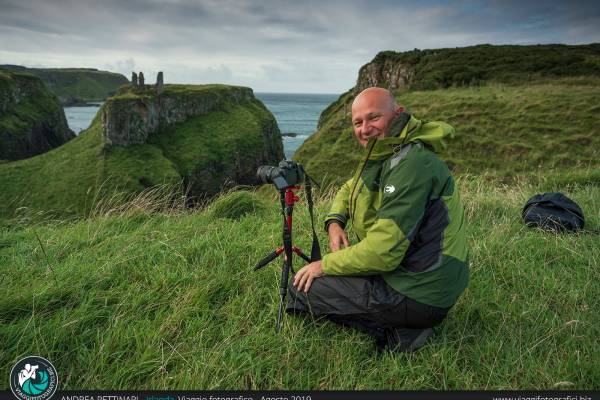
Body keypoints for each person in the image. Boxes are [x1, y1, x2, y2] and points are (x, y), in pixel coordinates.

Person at [286, 87, 469, 352]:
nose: (365, 128)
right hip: (421, 276)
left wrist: (325, 264)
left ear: (398, 114)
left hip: (418, 291)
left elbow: (383, 254)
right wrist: (335, 222)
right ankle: (408, 319)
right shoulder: (389, 152)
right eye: (358, 122)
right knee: (321, 279)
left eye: (374, 118)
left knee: (301, 289)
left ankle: (405, 331)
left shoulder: (411, 165)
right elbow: (350, 187)